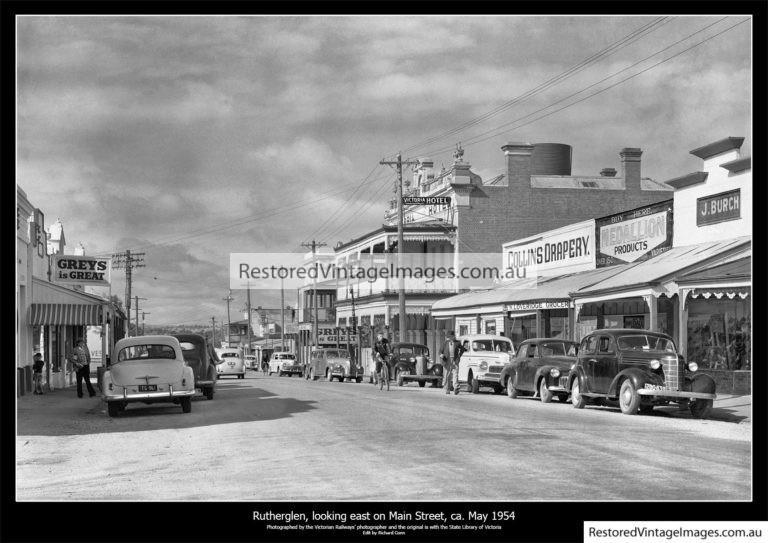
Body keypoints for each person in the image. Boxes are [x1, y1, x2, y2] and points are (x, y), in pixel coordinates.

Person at [439, 331, 464, 395]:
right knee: (447, 375)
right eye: (448, 336)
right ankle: (447, 388)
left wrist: (459, 356)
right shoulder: (445, 343)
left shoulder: (457, 343)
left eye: (450, 336)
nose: (449, 338)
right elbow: (440, 351)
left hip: (455, 360)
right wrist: (441, 355)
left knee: (455, 374)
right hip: (447, 360)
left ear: (453, 336)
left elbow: (462, 349)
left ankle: (456, 388)